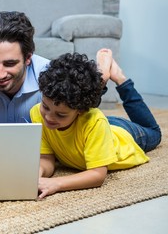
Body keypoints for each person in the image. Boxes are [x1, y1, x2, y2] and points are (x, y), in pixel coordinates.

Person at [30, 49, 162, 199]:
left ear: (80, 111)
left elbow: (97, 175)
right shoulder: (36, 113)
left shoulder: (94, 122)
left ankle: (120, 79)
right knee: (82, 97)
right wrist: (36, 174)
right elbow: (47, 158)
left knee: (155, 133)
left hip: (124, 134)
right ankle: (101, 78)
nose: (48, 117)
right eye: (45, 106)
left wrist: (57, 183)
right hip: (92, 129)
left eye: (60, 114)